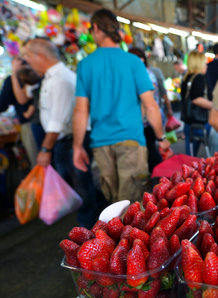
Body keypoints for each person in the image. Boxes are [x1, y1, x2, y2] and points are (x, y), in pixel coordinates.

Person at [72, 9, 169, 203]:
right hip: (131, 142)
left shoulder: (85, 65)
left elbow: (81, 110)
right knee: (132, 207)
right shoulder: (133, 62)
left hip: (101, 145)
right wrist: (161, 138)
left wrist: (77, 147)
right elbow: (150, 106)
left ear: (96, 29)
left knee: (112, 206)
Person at [23, 38, 105, 228]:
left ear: (40, 56)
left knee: (82, 189)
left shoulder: (60, 79)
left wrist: (45, 149)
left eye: (28, 56)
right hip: (65, 142)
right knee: (80, 187)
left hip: (70, 142)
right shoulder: (51, 77)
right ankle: (92, 224)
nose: (27, 61)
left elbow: (56, 122)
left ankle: (91, 230)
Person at [128, 48, 166, 173]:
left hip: (147, 121)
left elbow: (147, 104)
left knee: (150, 151)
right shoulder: (145, 73)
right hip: (148, 119)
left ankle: (159, 181)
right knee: (150, 150)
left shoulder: (145, 75)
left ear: (141, 59)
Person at [0, 57, 38, 166]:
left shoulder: (15, 79)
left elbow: (19, 101)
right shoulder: (38, 75)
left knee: (38, 163)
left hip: (30, 123)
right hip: (41, 123)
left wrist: (13, 74)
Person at [181, 51, 213, 156]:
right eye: (204, 63)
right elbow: (196, 99)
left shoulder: (186, 78)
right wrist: (215, 106)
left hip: (188, 121)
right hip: (199, 122)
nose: (206, 66)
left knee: (190, 154)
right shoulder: (199, 78)